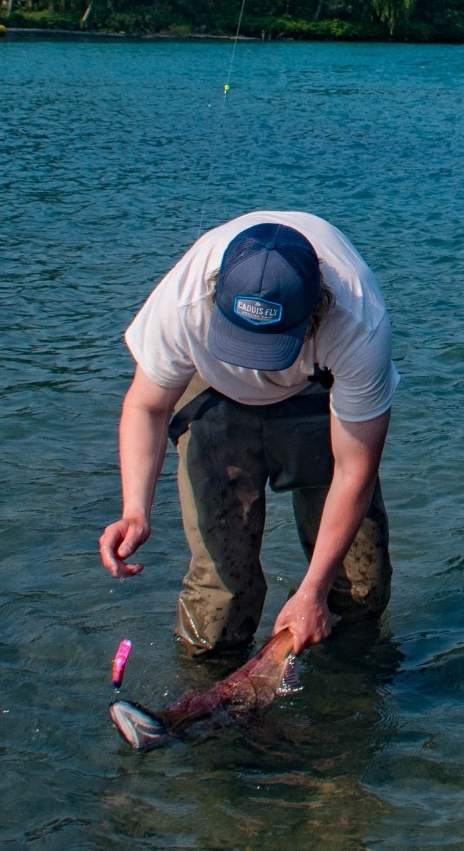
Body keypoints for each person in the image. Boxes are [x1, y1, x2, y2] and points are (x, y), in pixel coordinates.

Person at [98, 212, 395, 654]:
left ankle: (345, 694)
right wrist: (135, 510)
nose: (254, 364)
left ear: (319, 307)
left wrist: (312, 590)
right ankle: (208, 704)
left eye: (268, 346)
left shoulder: (358, 322)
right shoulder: (185, 303)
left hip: (317, 388)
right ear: (216, 297)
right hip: (213, 395)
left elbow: (354, 471)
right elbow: (147, 405)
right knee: (220, 601)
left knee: (361, 588)